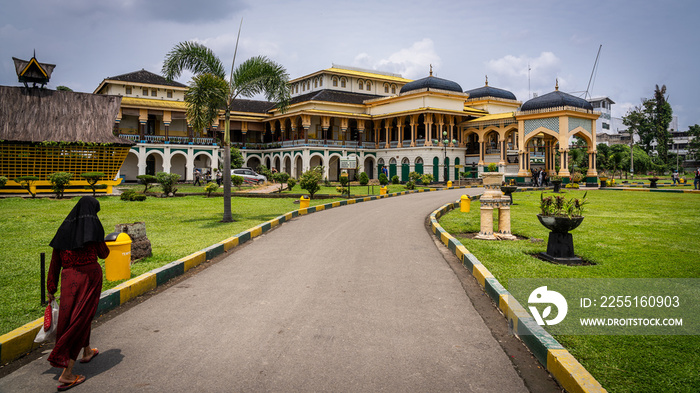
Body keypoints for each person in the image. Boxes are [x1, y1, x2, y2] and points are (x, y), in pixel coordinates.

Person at [47, 196, 109, 391]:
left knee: (75, 317)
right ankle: (67, 373)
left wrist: (51, 288)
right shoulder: (93, 229)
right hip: (89, 279)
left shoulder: (63, 231)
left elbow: (55, 262)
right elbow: (104, 254)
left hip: (67, 279)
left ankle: (87, 351)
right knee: (80, 319)